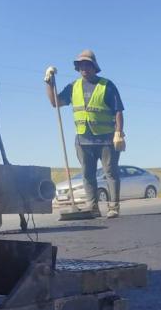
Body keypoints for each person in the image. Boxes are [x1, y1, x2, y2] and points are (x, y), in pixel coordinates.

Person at [45, 50, 126, 218]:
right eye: (81, 65)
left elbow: (118, 110)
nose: (84, 68)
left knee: (110, 172)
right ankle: (93, 207)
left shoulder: (106, 85)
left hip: (106, 140)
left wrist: (119, 132)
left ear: (94, 67)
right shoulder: (73, 87)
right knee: (88, 175)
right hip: (83, 141)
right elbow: (55, 102)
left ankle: (113, 207)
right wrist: (48, 82)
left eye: (87, 65)